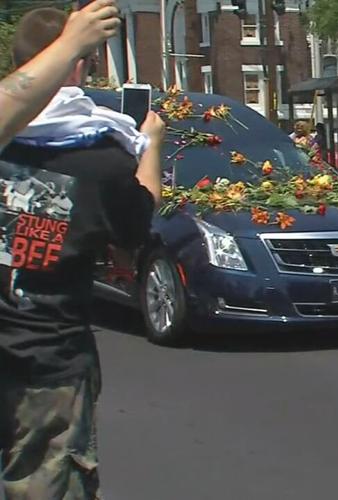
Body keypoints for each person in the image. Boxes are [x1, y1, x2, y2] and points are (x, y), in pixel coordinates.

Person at [0, 7, 164, 499]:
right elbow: (135, 225)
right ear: (77, 67)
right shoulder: (102, 157)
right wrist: (150, 143)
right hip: (49, 360)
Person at [0, 0, 120, 151]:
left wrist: (71, 43)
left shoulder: (10, 145)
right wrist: (152, 147)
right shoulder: (111, 143)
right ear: (76, 71)